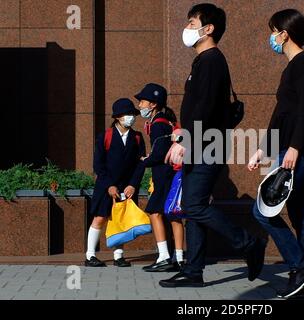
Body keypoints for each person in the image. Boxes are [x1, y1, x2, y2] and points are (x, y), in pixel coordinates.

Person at [160, 3, 267, 288]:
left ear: (208, 29)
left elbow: (205, 108)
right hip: (204, 143)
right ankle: (194, 271)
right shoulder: (203, 61)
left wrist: (186, 140)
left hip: (207, 144)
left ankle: (248, 243)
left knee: (193, 206)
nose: (187, 28)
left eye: (192, 22)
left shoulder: (211, 61)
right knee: (195, 206)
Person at [248, 9, 304, 299]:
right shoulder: (293, 67)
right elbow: (281, 116)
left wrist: (293, 148)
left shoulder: (303, 64)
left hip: (300, 152)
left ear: (284, 33)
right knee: (301, 215)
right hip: (295, 149)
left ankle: (301, 267)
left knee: (262, 211)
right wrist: (262, 150)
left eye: (273, 31)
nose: (271, 37)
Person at [85, 98, 146, 267]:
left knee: (121, 220)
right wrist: (109, 185)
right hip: (106, 185)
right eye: (128, 114)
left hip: (127, 187)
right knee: (100, 218)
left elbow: (140, 164)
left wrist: (133, 184)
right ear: (118, 116)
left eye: (133, 114)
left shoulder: (138, 137)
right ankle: (90, 255)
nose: (132, 117)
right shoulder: (105, 136)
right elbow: (98, 164)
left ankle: (119, 256)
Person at [134, 83, 185, 272]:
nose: (140, 105)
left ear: (153, 104)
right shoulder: (168, 121)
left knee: (154, 212)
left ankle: (163, 256)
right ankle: (179, 257)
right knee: (174, 215)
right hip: (175, 174)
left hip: (163, 176)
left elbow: (159, 154)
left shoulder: (158, 124)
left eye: (142, 101)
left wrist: (142, 162)